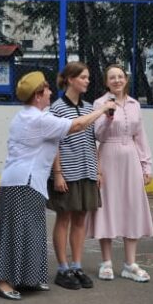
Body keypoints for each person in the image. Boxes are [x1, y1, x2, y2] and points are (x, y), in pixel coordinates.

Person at [0, 72, 113, 300]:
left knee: (32, 232)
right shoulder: (37, 119)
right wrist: (103, 109)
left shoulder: (31, 115)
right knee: (16, 232)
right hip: (23, 181)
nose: (49, 93)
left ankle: (27, 278)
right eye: (46, 90)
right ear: (38, 95)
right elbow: (76, 125)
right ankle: (3, 281)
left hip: (29, 181)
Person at [90, 65, 153, 282]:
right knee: (107, 207)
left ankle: (130, 263)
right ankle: (106, 262)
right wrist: (108, 117)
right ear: (106, 82)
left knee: (132, 206)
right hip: (108, 155)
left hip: (131, 159)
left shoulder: (135, 105)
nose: (117, 80)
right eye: (112, 77)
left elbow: (141, 136)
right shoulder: (100, 103)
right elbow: (98, 134)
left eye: (120, 76)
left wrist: (146, 165)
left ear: (126, 79)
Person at [48, 62, 100, 290]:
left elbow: (92, 140)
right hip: (67, 172)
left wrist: (97, 169)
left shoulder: (89, 107)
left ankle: (77, 265)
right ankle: (63, 268)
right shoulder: (57, 108)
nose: (87, 81)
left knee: (80, 219)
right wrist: (57, 173)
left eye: (88, 77)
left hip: (87, 169)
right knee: (64, 217)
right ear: (70, 79)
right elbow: (54, 143)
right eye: (83, 77)